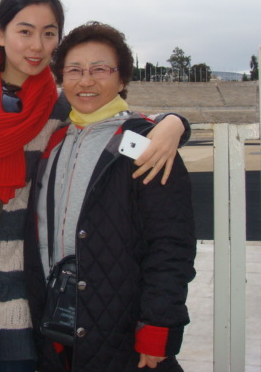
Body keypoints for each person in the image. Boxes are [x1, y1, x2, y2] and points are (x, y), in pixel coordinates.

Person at [0, 0, 189, 372]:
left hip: (28, 305)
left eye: (49, 33)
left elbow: (117, 118)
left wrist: (174, 124)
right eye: (25, 31)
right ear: (0, 33)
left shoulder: (60, 104)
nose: (37, 45)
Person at [24, 21, 196, 371]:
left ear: (121, 80)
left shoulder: (147, 143)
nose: (86, 81)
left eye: (100, 69)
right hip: (54, 324)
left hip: (120, 329)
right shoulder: (52, 141)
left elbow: (171, 246)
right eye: (74, 70)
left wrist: (159, 328)